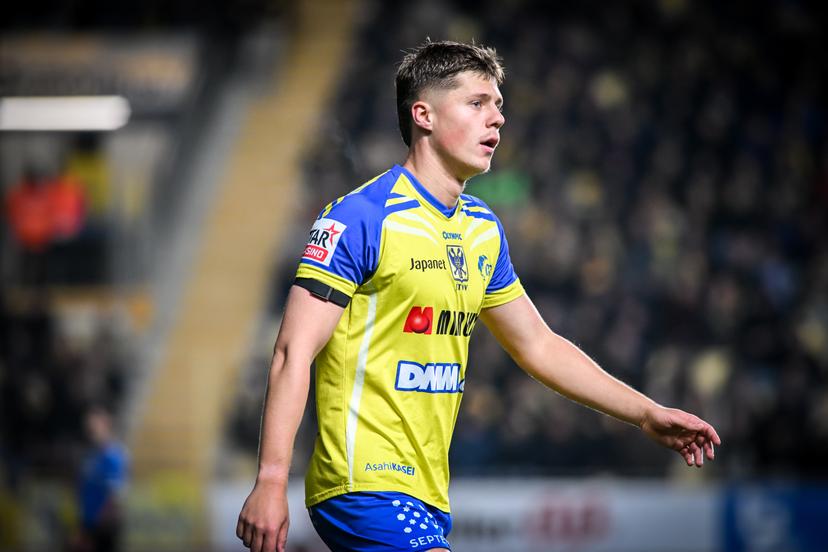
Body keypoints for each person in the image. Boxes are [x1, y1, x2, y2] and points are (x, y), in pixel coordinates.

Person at [237, 40, 721, 552]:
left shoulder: (482, 229)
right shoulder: (361, 217)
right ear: (422, 114)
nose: (498, 119)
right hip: (362, 485)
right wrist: (271, 479)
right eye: (478, 103)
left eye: (500, 106)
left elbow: (539, 345)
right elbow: (293, 351)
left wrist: (645, 413)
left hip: (427, 495)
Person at [71, 405, 129, 552]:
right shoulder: (89, 455)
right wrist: (83, 525)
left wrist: (97, 526)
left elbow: (115, 494)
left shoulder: (114, 456)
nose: (91, 429)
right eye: (89, 426)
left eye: (95, 425)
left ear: (106, 425)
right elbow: (83, 489)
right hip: (88, 522)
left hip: (103, 526)